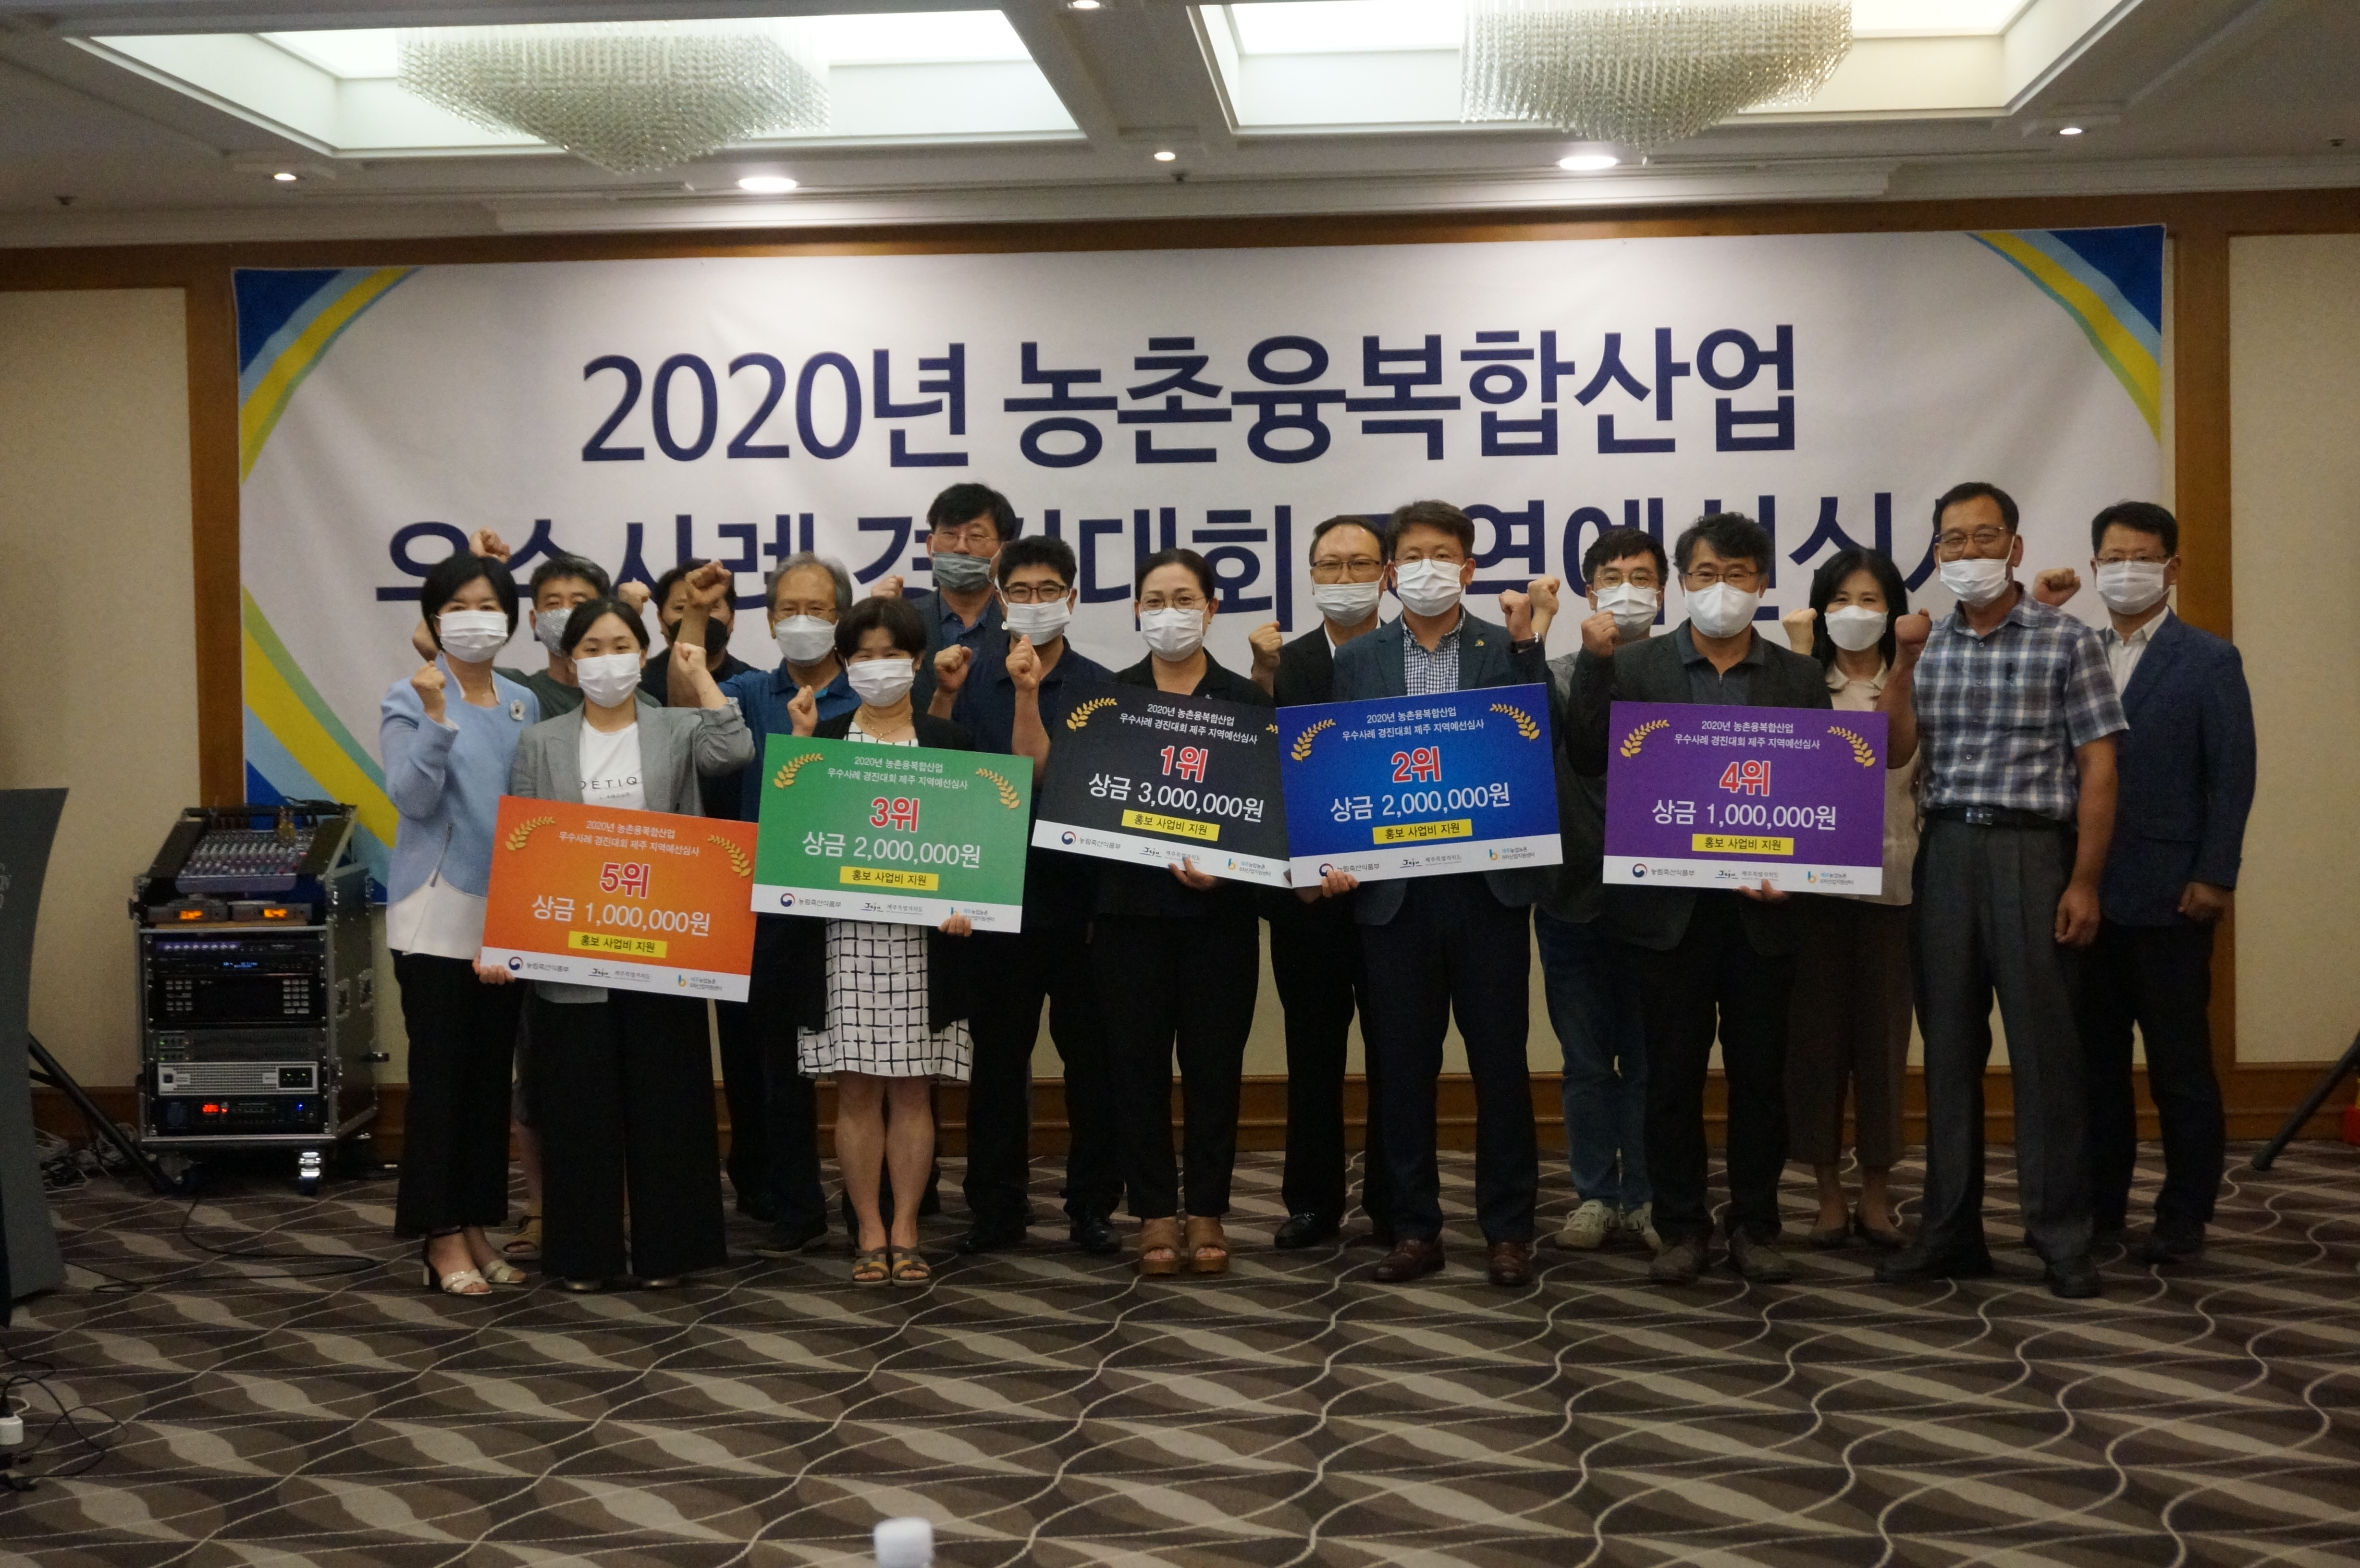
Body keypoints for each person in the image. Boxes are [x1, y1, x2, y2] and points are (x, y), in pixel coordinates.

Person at [1874, 481, 2125, 1300]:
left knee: (2046, 1054)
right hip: (1947, 850)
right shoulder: (1927, 644)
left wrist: (2084, 879)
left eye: (1984, 537)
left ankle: (2060, 1235)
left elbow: (2098, 767)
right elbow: (1894, 751)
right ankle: (1950, 1231)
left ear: (2015, 548)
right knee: (1948, 1050)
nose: (1968, 552)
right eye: (1953, 540)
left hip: (2034, 853)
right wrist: (1903, 664)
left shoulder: (2067, 640)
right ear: (1936, 554)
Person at [1571, 512, 1831, 1287]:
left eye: (1739, 574)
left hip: (1763, 913)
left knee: (1760, 1080)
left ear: (1762, 583)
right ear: (1683, 582)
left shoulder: (1798, 676)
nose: (1723, 588)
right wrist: (1594, 666)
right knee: (1670, 1079)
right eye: (1708, 574)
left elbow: (1818, 789)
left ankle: (1754, 1224)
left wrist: (1802, 869)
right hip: (1666, 913)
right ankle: (1683, 1225)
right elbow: (1588, 754)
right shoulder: (1635, 664)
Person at [1320, 501, 1559, 1289]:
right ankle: (1415, 1227)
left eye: (1444, 554)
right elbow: (1339, 767)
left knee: (1500, 1066)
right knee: (1402, 1067)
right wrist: (1334, 856)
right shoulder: (1359, 658)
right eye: (1414, 556)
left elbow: (1542, 741)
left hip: (1488, 890)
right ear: (1393, 573)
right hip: (1394, 897)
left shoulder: (1503, 646)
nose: (1429, 568)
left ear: (1469, 568)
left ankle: (1508, 1230)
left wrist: (1529, 643)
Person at [505, 598, 751, 1290]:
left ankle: (673, 1252)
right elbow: (524, 846)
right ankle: (584, 1256)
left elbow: (735, 750)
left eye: (620, 646)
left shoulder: (676, 726)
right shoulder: (541, 742)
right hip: (572, 953)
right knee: (580, 1109)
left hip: (664, 952)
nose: (606, 660)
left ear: (642, 656)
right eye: (592, 648)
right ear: (571, 659)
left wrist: (697, 675)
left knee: (667, 1105)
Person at [2032, 501, 2255, 1263]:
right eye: (2115, 558)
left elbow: (2232, 777)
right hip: (2084, 893)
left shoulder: (2209, 660)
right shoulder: (2076, 648)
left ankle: (2184, 1215)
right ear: (2095, 568)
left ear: (2173, 567)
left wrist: (2215, 874)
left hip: (2171, 895)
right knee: (2095, 1069)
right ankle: (2102, 1210)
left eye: (2144, 557)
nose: (2128, 570)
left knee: (2179, 1067)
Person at [927, 534, 1125, 1256]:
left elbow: (1098, 797)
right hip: (990, 899)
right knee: (997, 1064)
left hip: (1079, 903)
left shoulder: (1103, 688)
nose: (1035, 603)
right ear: (1000, 598)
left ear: (1072, 598)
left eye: (1048, 591)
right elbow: (934, 776)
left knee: (1092, 1065)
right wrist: (944, 696)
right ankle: (996, 1207)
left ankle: (1092, 1205)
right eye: (1021, 591)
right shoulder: (964, 675)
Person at [782, 595, 979, 1285]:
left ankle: (907, 1229)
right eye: (862, 656)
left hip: (927, 944)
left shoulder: (950, 744)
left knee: (914, 1090)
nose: (878, 667)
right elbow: (796, 848)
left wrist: (969, 905)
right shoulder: (824, 742)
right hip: (844, 939)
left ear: (917, 661)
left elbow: (973, 846)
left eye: (891, 655)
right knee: (858, 1091)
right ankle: (868, 1228)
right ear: (842, 663)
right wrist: (801, 752)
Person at [671, 553, 860, 1247]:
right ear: (771, 621)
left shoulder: (871, 690)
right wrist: (696, 611)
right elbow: (683, 700)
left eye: (817, 610)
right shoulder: (751, 691)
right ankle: (796, 1205)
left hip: (860, 903)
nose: (802, 621)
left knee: (872, 1065)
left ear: (841, 618)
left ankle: (882, 1206)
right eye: (788, 610)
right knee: (779, 1069)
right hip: (772, 907)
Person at [1098, 549, 1275, 1276]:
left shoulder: (1247, 701)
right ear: (1136, 612)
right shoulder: (1108, 699)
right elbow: (1088, 805)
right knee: (1135, 1067)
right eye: (1154, 600)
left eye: (1183, 599)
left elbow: (1266, 817)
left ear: (1211, 609)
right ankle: (1152, 1213)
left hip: (1218, 920)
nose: (1168, 613)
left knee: (1213, 1068)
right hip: (1128, 917)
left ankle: (1206, 1209)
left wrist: (1228, 870)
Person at [381, 551, 539, 1296]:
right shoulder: (409, 696)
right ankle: (439, 1235)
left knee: (487, 1084)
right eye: (459, 606)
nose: (476, 620)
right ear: (435, 619)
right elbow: (412, 799)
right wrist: (437, 720)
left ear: (510, 620)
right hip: (436, 913)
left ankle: (476, 1224)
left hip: (506, 915)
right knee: (442, 1081)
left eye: (489, 606)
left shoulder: (523, 702)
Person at [1244, 514, 1394, 1250]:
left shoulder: (1409, 659)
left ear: (1386, 576)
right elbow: (1260, 782)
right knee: (1312, 1053)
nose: (1344, 578)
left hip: (1397, 893)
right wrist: (1299, 874)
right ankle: (1312, 1202)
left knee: (1396, 1052)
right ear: (1310, 577)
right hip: (1306, 900)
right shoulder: (1282, 664)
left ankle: (1394, 1200)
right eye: (1330, 565)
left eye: (1360, 565)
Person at [1780, 547, 1920, 1252]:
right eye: (1840, 600)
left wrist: (1906, 667)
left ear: (1893, 611)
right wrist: (1798, 657)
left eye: (1869, 600)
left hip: (1893, 886)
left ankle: (1876, 1193)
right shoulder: (1800, 677)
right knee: (1814, 1048)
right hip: (1811, 895)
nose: (1854, 613)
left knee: (1883, 1048)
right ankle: (1827, 1194)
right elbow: (1786, 760)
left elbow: (1897, 755)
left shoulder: (1914, 677)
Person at [1541, 527, 1663, 1255]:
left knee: (1649, 1064)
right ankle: (1594, 1195)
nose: (1626, 590)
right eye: (1612, 577)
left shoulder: (1678, 676)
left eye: (1641, 577)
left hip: (1658, 905)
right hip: (1571, 897)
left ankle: (1646, 1195)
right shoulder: (1558, 676)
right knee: (1586, 1062)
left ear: (1663, 592)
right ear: (1589, 592)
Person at [879, 482, 1012, 710]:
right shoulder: (902, 621)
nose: (961, 547)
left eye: (976, 535)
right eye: (950, 534)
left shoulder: (1020, 623)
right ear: (930, 546)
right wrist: (877, 617)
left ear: (1004, 551)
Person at [642, 557, 757, 818]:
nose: (701, 614)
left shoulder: (753, 684)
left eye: (713, 607)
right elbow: (686, 709)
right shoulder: (640, 684)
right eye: (681, 608)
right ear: (660, 620)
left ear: (732, 618)